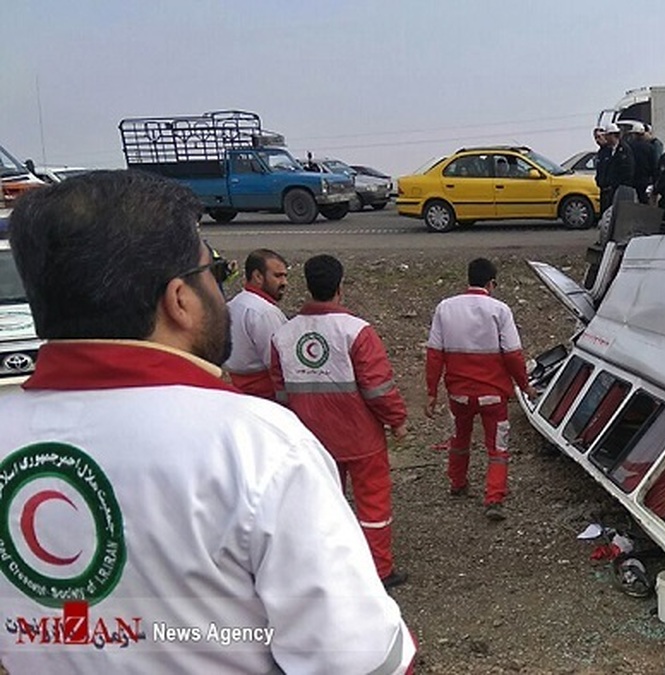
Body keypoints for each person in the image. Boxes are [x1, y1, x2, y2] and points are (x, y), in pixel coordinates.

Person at [0, 171, 414, 673]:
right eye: (215, 273)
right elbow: (361, 661)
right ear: (179, 299)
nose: (225, 292)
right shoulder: (256, 446)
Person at [270, 254, 409, 588]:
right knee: (373, 505)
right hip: (360, 438)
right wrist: (397, 420)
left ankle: (324, 568)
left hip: (312, 438)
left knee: (320, 503)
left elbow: (281, 392)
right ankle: (379, 571)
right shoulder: (356, 332)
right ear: (340, 287)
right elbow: (378, 388)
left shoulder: (283, 336)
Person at [425, 258, 536, 521]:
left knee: (459, 439)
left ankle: (457, 482)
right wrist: (524, 385)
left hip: (458, 394)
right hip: (493, 394)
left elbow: (434, 354)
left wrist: (431, 392)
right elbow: (512, 355)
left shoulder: (445, 308)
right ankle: (494, 497)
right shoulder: (500, 310)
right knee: (497, 447)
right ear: (491, 283)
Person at [224, 248, 289, 398]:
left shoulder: (233, 304)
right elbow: (277, 362)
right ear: (258, 276)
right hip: (267, 394)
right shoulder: (263, 312)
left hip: (240, 391)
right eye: (278, 276)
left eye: (285, 276)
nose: (284, 282)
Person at [594, 122, 635, 214]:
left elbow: (628, 171)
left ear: (612, 135)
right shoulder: (607, 150)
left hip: (618, 190)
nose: (605, 138)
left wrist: (618, 185)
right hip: (606, 190)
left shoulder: (624, 150)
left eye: (607, 135)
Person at [625, 121, 658, 204]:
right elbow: (654, 166)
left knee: (630, 204)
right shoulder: (650, 148)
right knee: (644, 203)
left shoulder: (628, 147)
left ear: (634, 134)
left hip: (630, 181)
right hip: (645, 181)